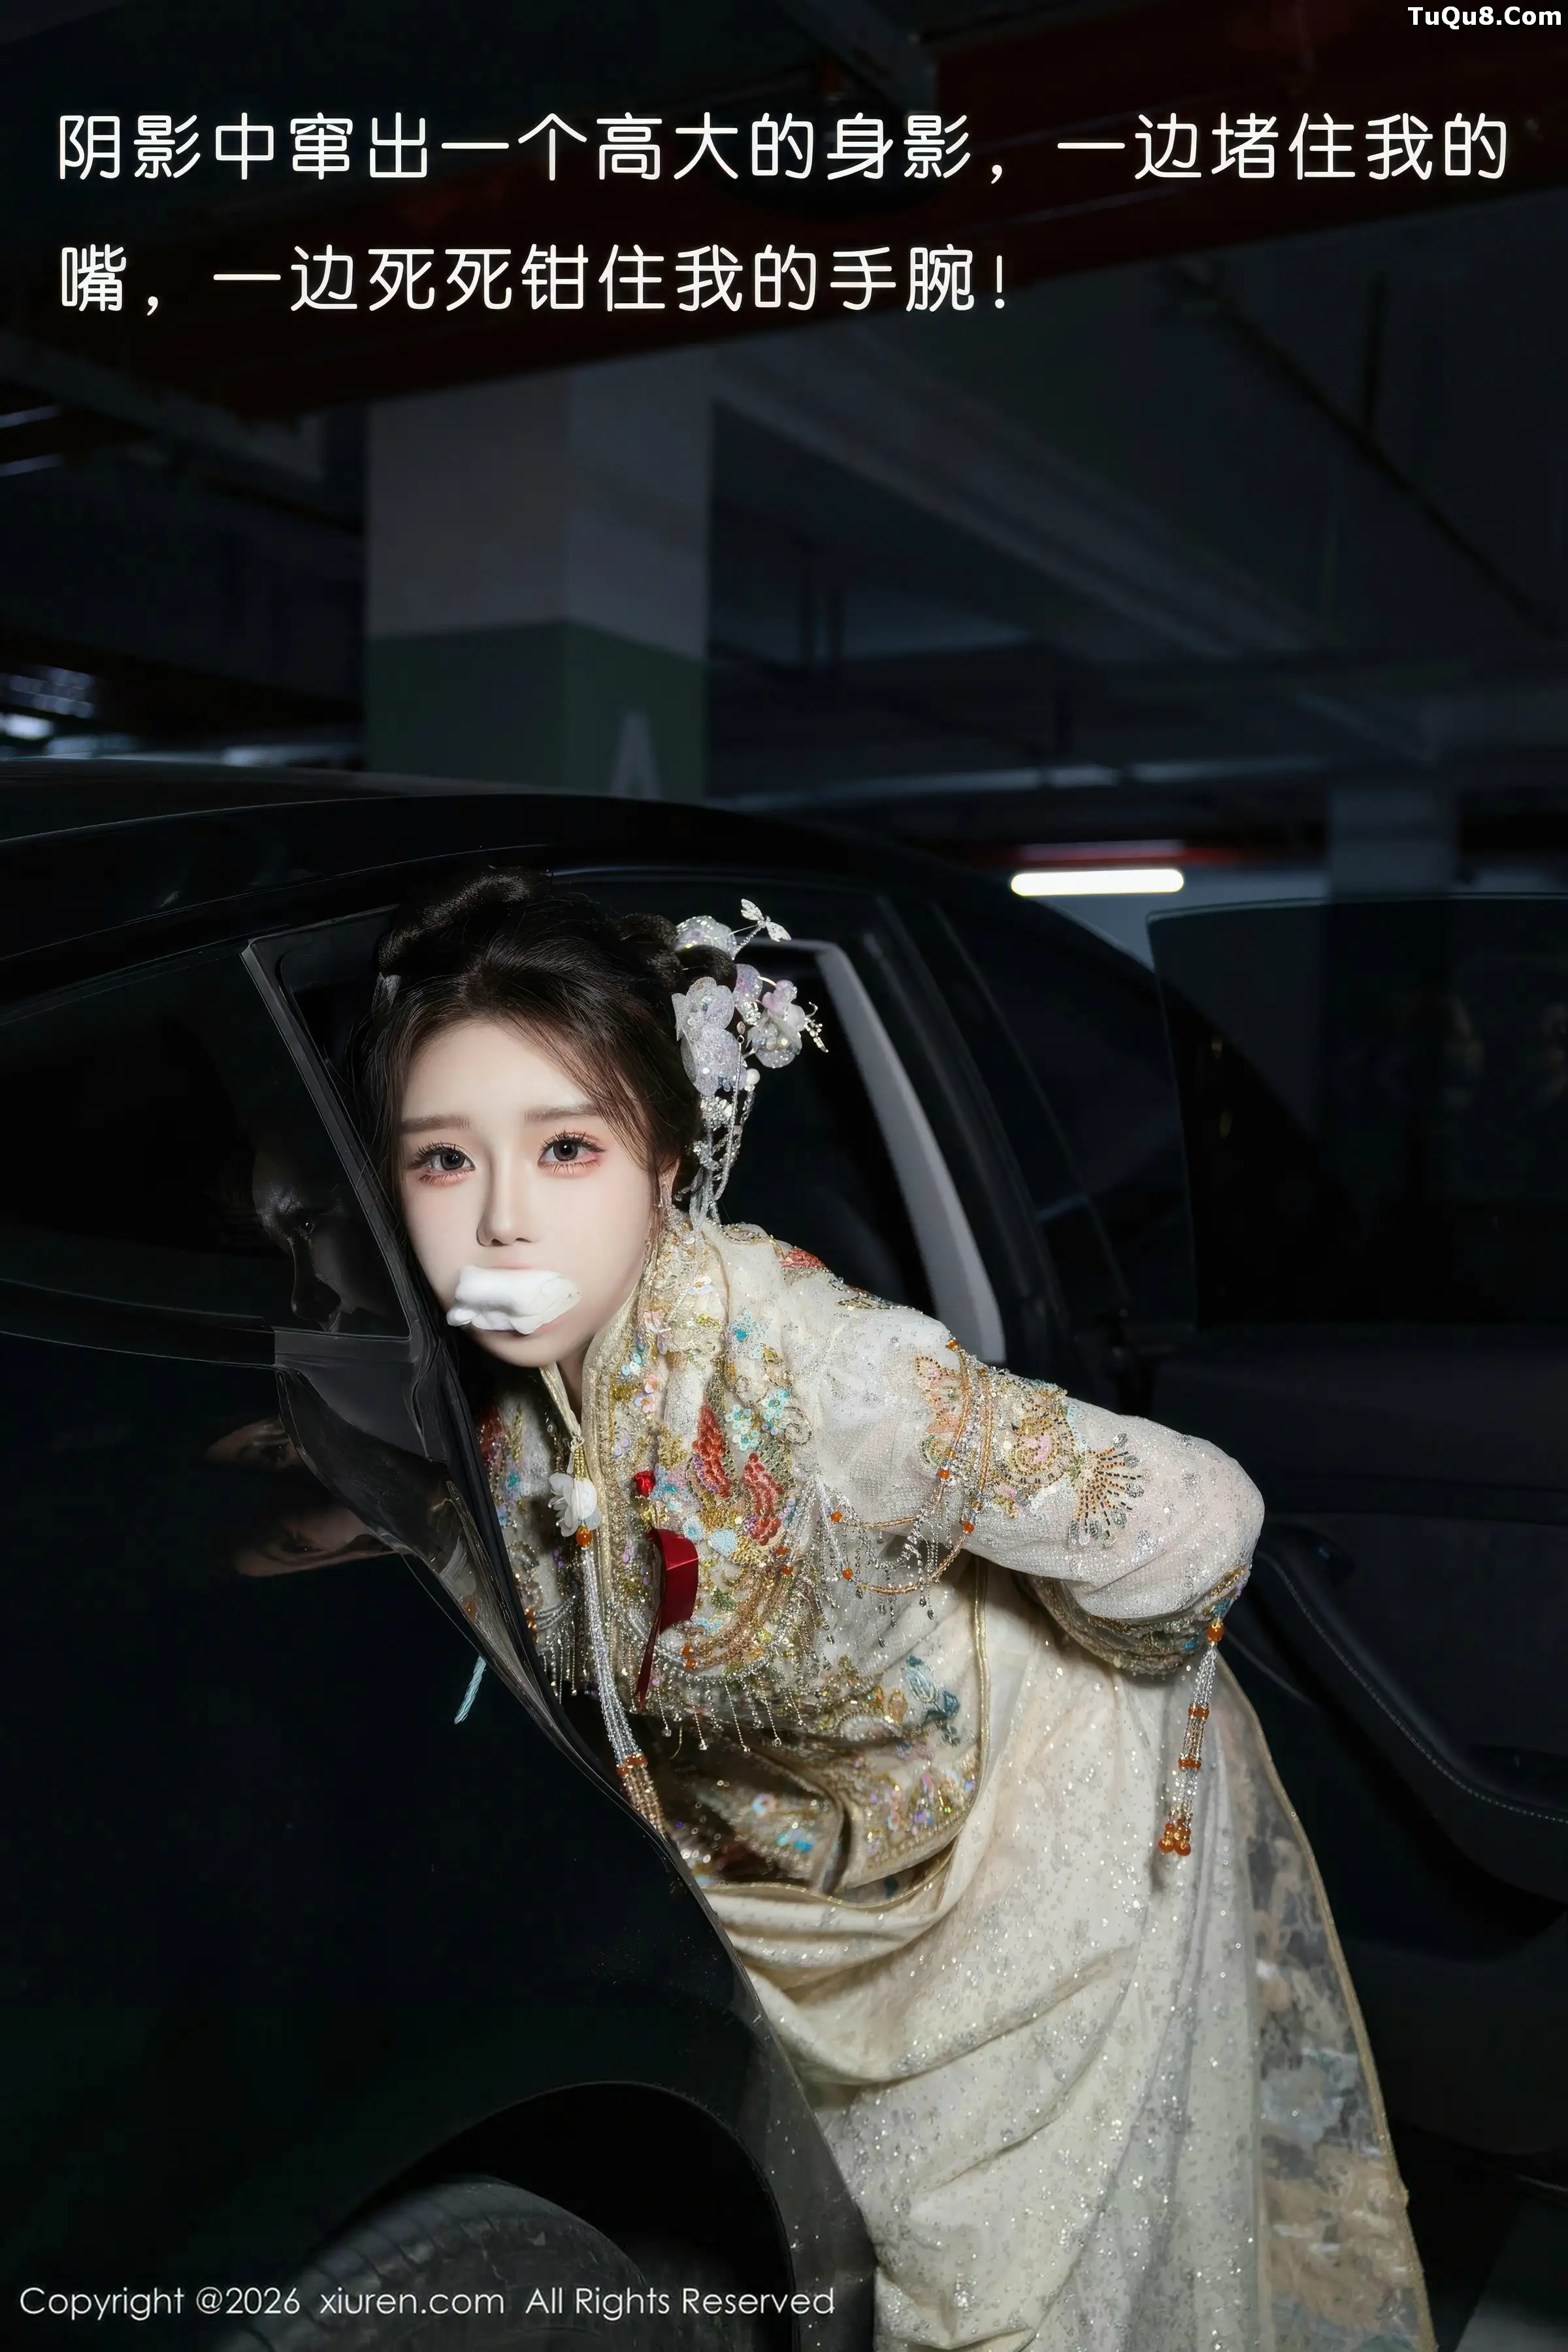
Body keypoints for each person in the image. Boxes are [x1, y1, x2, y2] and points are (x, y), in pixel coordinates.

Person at [352, 863, 1434, 2352]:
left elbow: (1198, 1518)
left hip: (1018, 1851)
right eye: (442, 1161)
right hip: (786, 1894)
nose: (503, 1224)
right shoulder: (483, 1414)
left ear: (663, 1164)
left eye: (568, 1148)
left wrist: (1103, 1683)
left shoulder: (832, 1379)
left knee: (988, 2306)